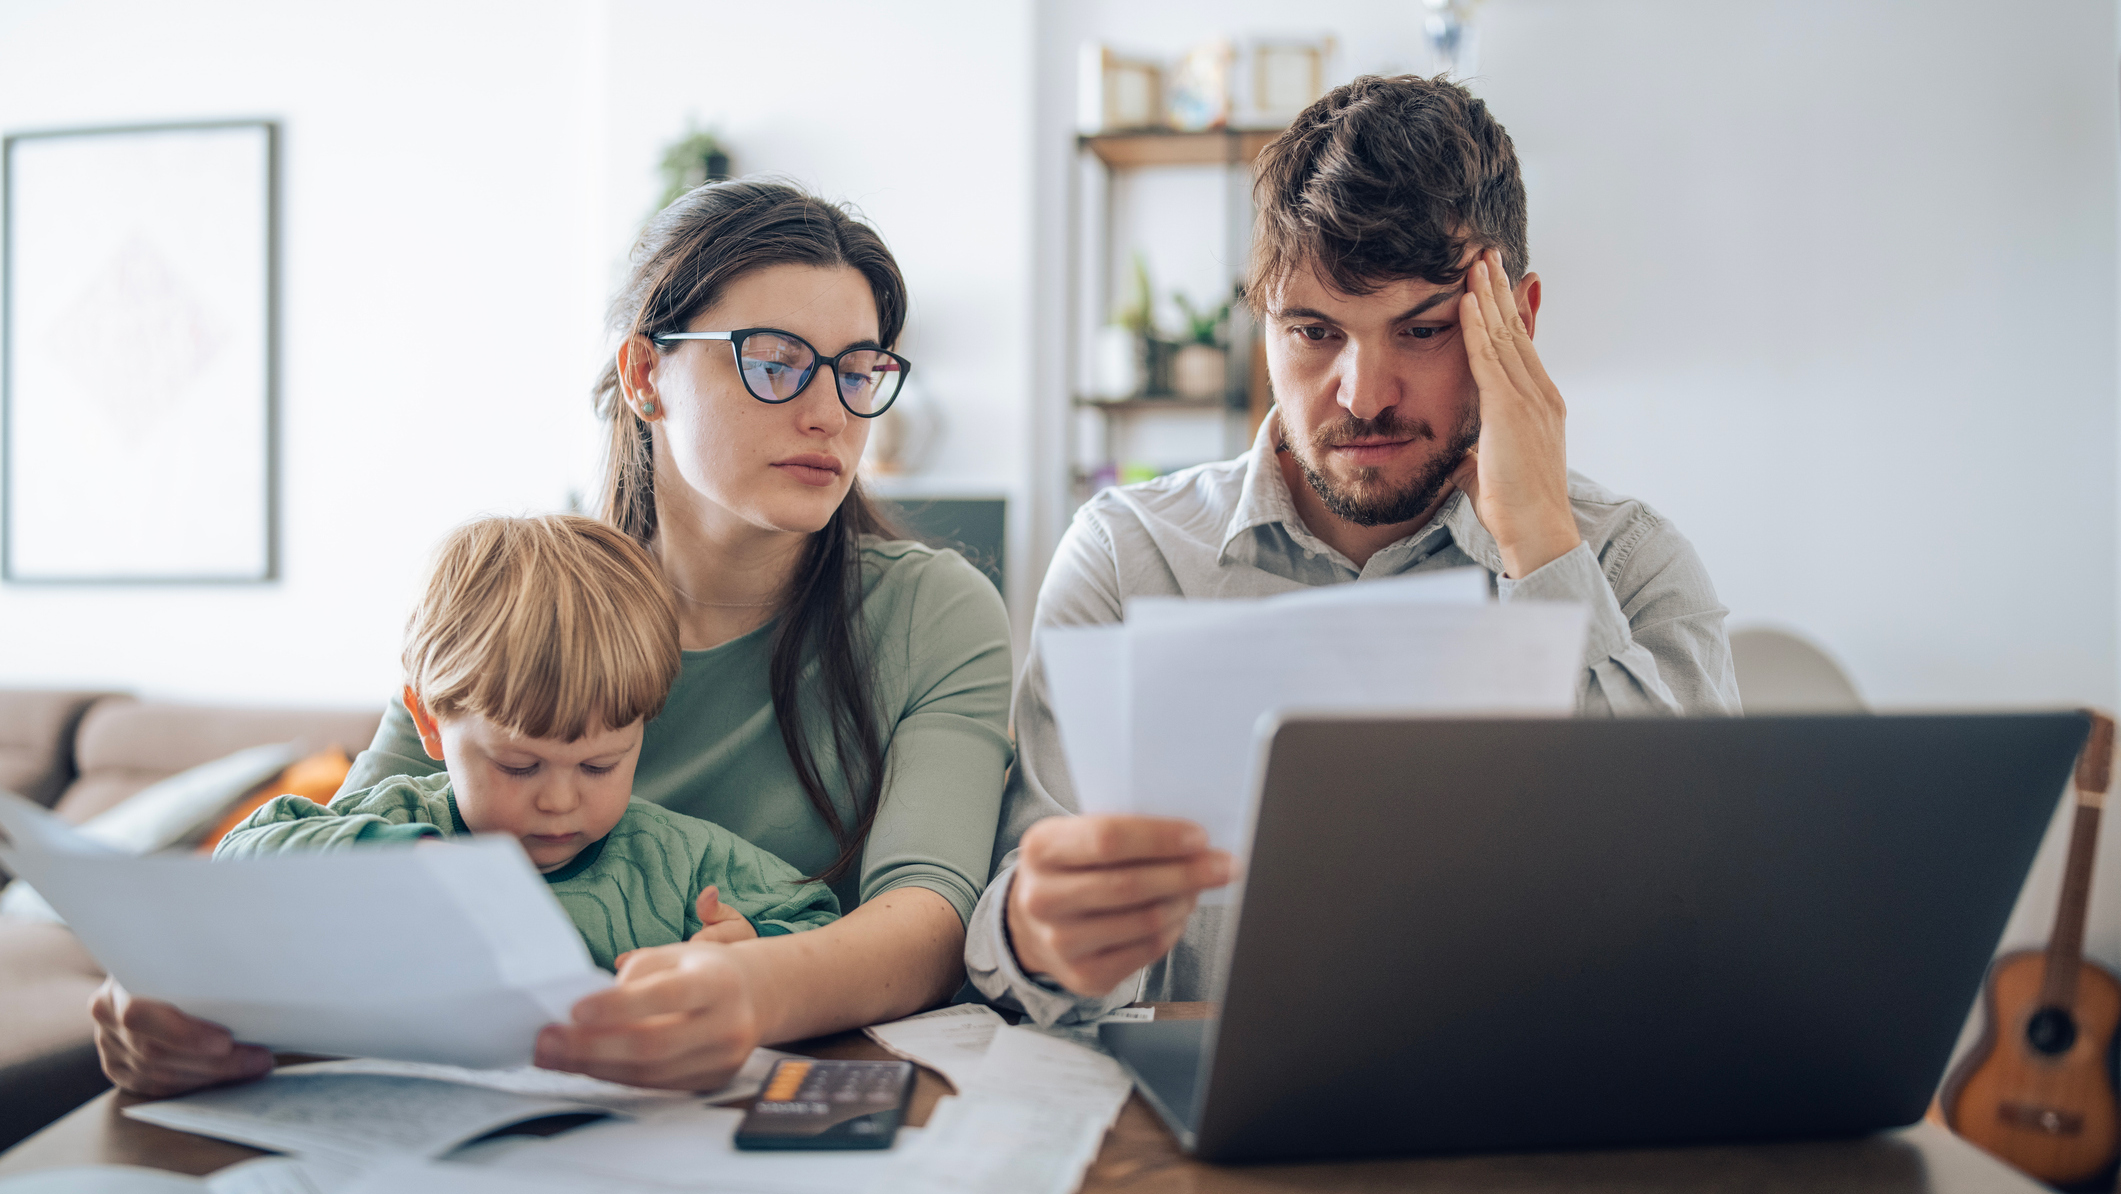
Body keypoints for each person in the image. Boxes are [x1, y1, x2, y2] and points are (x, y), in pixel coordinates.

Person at [92, 181, 1013, 1098]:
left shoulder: (933, 612)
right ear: (645, 374)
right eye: (775, 362)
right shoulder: (520, 603)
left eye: (858, 371)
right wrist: (177, 993)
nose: (829, 415)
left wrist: (754, 988)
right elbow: (345, 869)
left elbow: (932, 918)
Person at [966, 74, 1741, 1024]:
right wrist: (1043, 942)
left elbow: (1692, 919)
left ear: (1517, 322)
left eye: (1420, 330)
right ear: (1262, 326)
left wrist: (1540, 542)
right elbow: (1030, 946)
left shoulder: (1630, 562)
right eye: (1312, 331)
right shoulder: (1131, 555)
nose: (1362, 393)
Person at [216, 514, 841, 970]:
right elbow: (239, 862)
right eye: (519, 766)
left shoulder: (678, 864)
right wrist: (402, 861)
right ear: (431, 724)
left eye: (599, 765)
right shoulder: (401, 818)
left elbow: (819, 921)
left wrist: (750, 956)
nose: (560, 801)